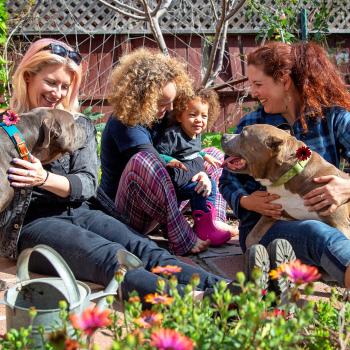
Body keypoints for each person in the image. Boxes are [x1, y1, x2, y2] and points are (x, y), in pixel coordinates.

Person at [1, 38, 228, 301]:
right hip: (34, 224)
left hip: (82, 211)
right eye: (51, 83)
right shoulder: (6, 129)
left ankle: (228, 289)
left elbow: (86, 183)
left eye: (65, 86)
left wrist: (43, 178)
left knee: (147, 250)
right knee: (112, 259)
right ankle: (194, 301)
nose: (58, 93)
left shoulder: (77, 125)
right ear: (28, 77)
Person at [219, 41, 350, 291]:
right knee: (315, 233)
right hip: (270, 226)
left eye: (259, 84)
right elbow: (227, 179)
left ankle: (283, 270)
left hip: (328, 221)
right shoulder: (254, 125)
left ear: (285, 81)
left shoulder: (332, 119)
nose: (253, 92)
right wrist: (246, 201)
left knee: (323, 233)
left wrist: (347, 186)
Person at [100, 48, 236, 256]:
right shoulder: (126, 123)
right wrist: (197, 169)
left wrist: (200, 170)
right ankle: (181, 237)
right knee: (146, 161)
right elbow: (162, 172)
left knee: (213, 155)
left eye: (171, 101)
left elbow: (185, 158)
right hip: (127, 214)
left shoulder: (163, 115)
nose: (170, 107)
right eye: (162, 103)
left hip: (163, 206)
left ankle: (211, 222)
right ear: (142, 99)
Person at [154, 89, 231, 246]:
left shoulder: (196, 134)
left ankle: (208, 222)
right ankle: (204, 229)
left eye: (204, 116)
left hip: (191, 175)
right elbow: (157, 154)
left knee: (209, 186)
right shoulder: (173, 135)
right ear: (179, 116)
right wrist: (170, 160)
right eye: (192, 115)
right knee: (201, 189)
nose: (199, 120)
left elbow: (190, 152)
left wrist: (203, 155)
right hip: (177, 182)